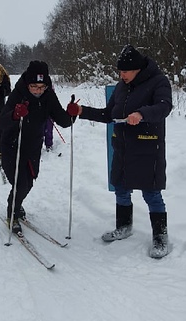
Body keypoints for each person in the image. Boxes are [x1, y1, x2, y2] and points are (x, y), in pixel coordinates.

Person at [67, 44, 172, 258]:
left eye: (125, 71)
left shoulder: (158, 82)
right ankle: (124, 226)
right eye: (120, 71)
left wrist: (141, 114)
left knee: (151, 192)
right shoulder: (121, 86)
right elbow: (109, 115)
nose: (121, 75)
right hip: (123, 146)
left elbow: (164, 107)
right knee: (121, 187)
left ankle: (160, 236)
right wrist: (82, 111)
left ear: (137, 70)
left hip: (147, 146)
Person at [0, 60, 72, 232]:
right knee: (20, 184)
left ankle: (18, 204)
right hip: (12, 146)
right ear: (27, 83)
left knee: (29, 183)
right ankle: (12, 214)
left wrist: (72, 113)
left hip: (33, 146)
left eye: (42, 87)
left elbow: (63, 120)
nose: (38, 91)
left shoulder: (48, 96)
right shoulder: (18, 94)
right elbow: (2, 122)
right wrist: (15, 114)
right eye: (34, 86)